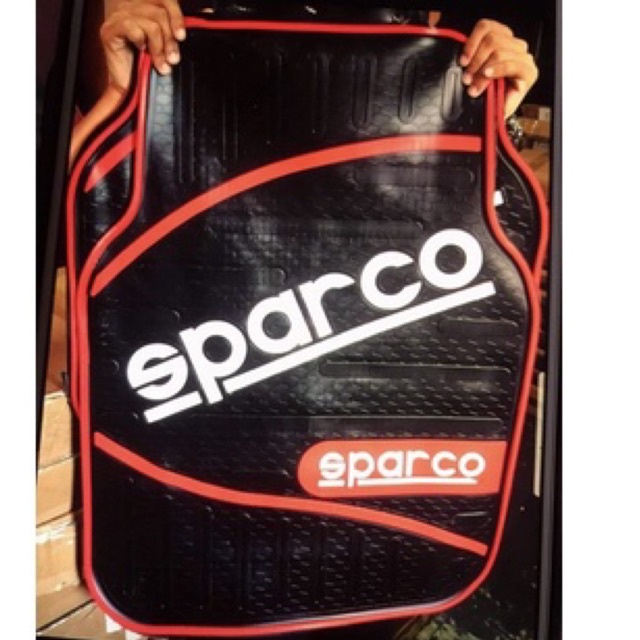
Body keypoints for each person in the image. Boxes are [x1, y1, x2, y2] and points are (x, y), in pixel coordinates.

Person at [70, 0, 539, 163]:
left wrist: (489, 117)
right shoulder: (185, 38)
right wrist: (123, 96)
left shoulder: (427, 60)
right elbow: (59, 224)